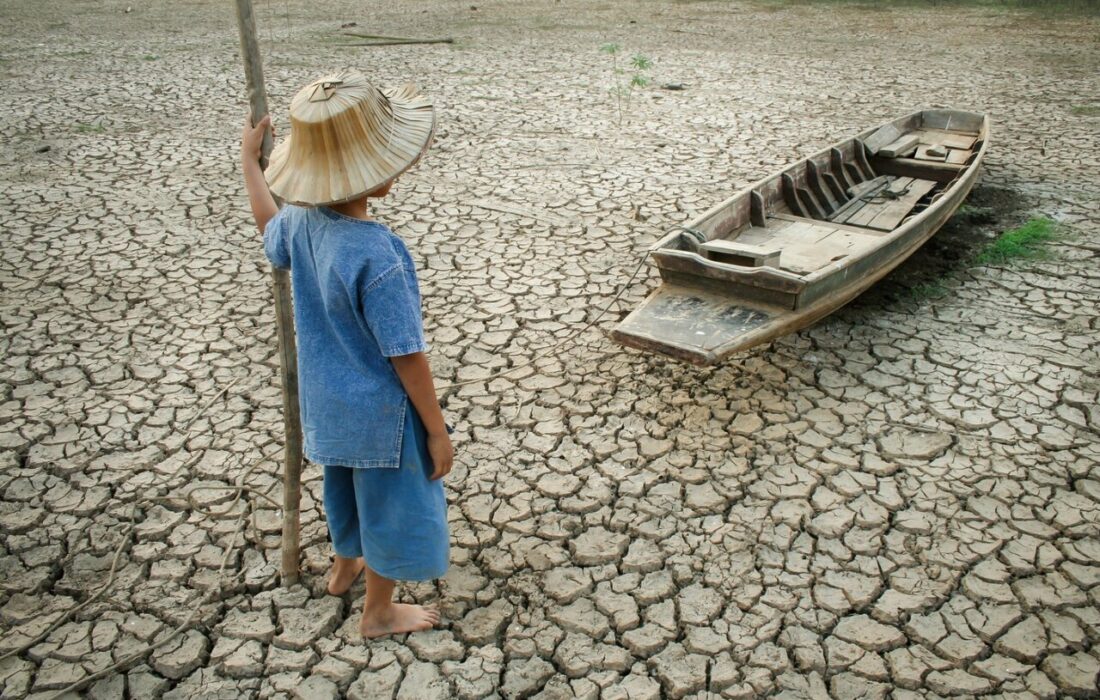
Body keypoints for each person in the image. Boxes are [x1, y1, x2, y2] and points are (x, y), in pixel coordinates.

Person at [239, 69, 452, 638]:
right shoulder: (378, 253)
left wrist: (250, 168)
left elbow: (269, 229)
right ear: (377, 171)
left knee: (344, 490)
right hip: (381, 416)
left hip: (326, 405)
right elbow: (406, 354)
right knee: (389, 505)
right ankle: (378, 611)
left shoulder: (303, 223)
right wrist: (435, 428)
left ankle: (343, 567)